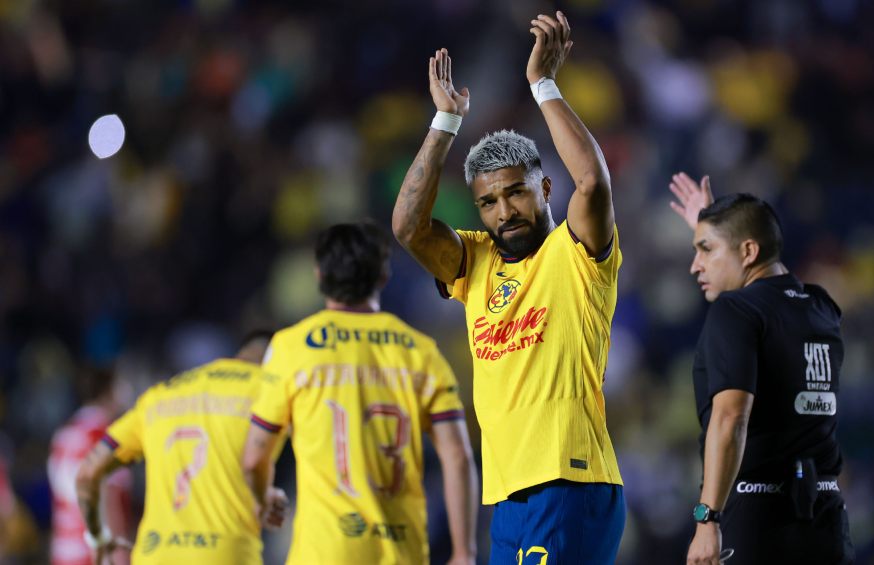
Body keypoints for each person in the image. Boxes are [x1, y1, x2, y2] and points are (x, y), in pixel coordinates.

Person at [392, 11, 625, 564]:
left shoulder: (576, 252)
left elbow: (592, 181)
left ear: (545, 187)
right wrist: (445, 122)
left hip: (571, 481)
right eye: (489, 202)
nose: (505, 211)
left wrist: (542, 85)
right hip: (506, 496)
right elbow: (407, 228)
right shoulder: (474, 261)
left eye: (517, 193)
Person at [242, 222, 478, 565]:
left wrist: (263, 498)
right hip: (400, 551)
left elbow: (253, 458)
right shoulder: (419, 351)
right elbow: (457, 457)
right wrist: (463, 552)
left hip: (323, 553)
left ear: (319, 275)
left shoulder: (291, 348)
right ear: (384, 275)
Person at [668, 173, 854, 565]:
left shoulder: (734, 311)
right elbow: (771, 293)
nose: (694, 266)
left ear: (748, 251)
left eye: (705, 250)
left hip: (758, 520)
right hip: (825, 519)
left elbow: (731, 416)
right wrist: (719, 231)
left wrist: (708, 520)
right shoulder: (822, 307)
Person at [75, 331, 288, 565]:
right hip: (225, 555)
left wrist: (98, 538)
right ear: (277, 360)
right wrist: (263, 496)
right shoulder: (271, 389)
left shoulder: (160, 395)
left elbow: (87, 473)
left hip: (154, 555)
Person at [49, 367, 133, 565]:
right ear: (108, 391)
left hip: (64, 550)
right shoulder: (107, 436)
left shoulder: (64, 433)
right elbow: (108, 496)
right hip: (94, 553)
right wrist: (118, 555)